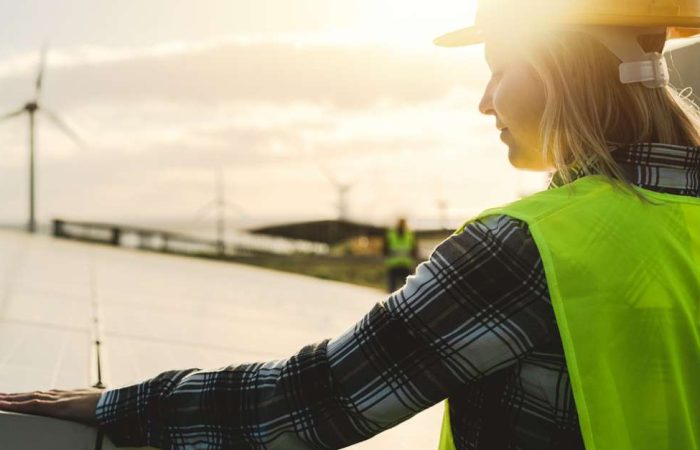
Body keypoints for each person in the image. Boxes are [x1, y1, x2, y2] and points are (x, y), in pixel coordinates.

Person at [2, 0, 700, 448]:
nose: (485, 103)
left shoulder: (527, 251)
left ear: (559, 70)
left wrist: (120, 403)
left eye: (499, 70)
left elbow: (313, 400)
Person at [383, 217, 417, 292]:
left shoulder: (392, 234)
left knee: (399, 289)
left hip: (399, 265)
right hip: (400, 265)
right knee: (407, 289)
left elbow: (385, 250)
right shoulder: (409, 234)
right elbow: (414, 251)